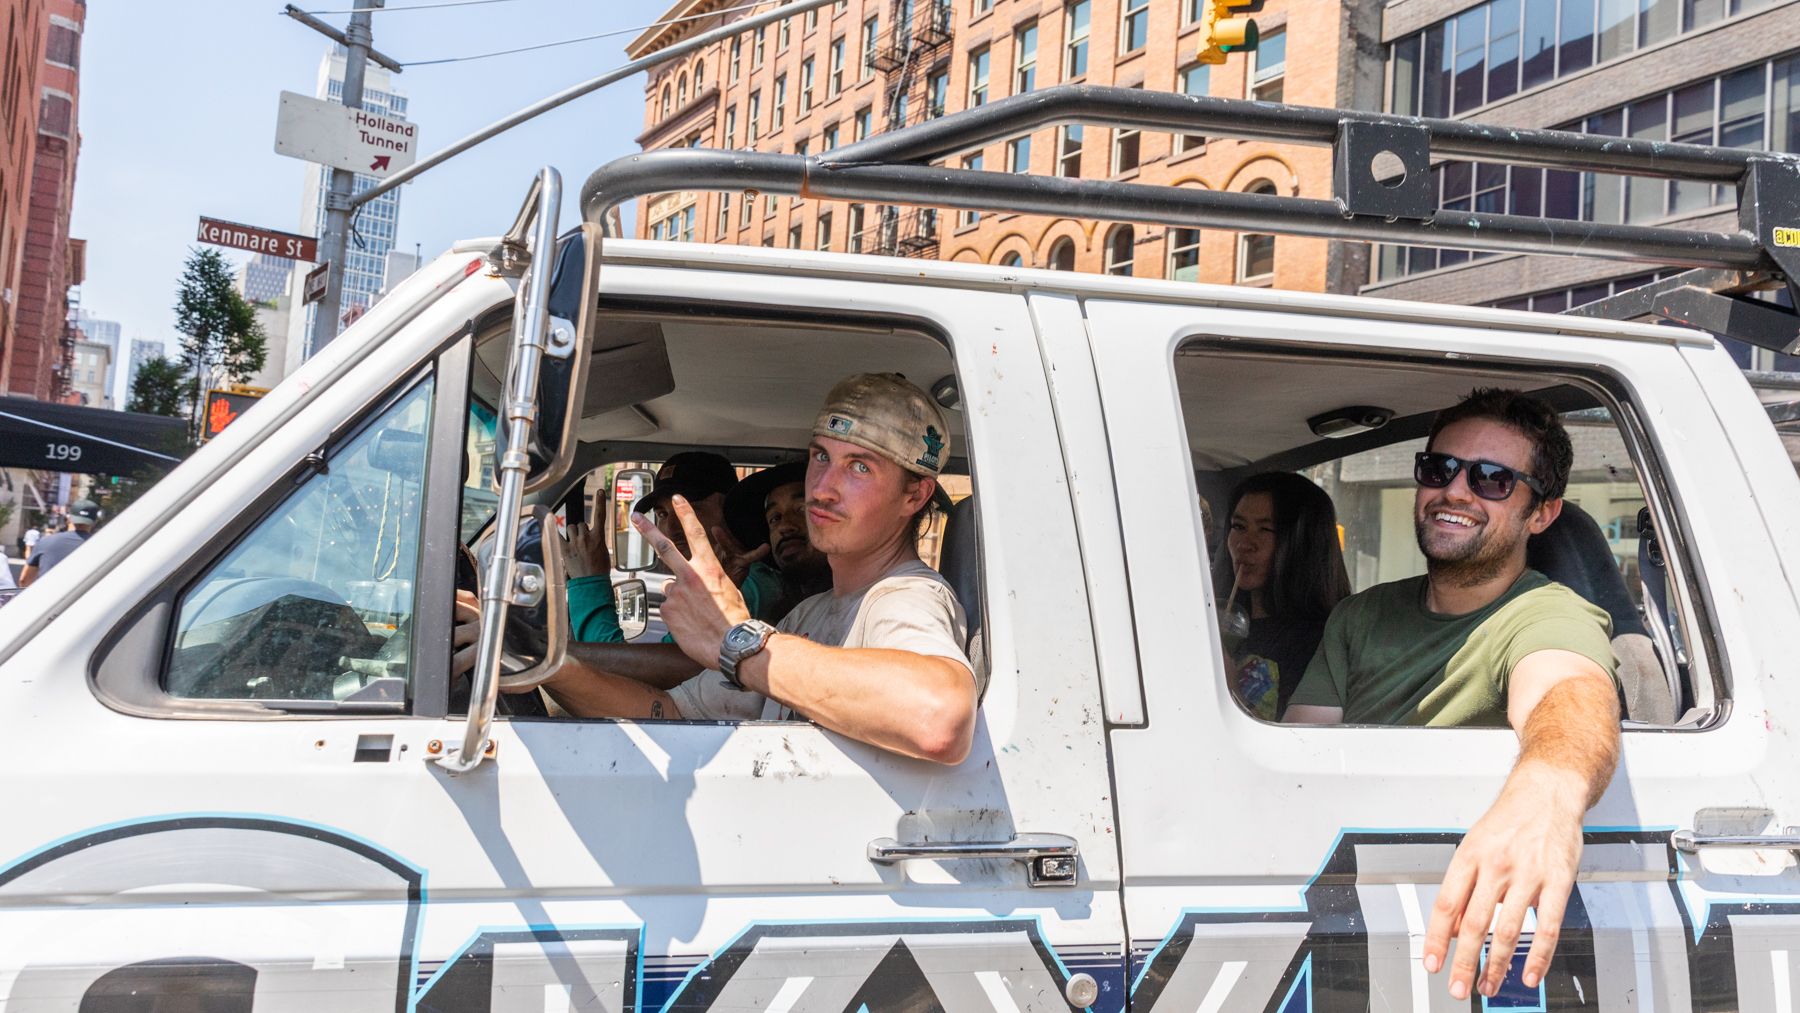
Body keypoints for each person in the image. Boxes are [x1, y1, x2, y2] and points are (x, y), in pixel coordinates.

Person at [1284, 388, 1622, 1002]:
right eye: (1440, 469)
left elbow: (1571, 695)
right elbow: (1298, 758)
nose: (1457, 492)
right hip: (1333, 895)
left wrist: (1547, 794)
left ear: (1541, 514)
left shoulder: (1544, 615)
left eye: (1492, 479)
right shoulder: (1360, 616)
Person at [543, 372, 978, 764]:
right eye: (821, 457)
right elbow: (670, 711)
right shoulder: (808, 615)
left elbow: (938, 718)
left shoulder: (905, 598)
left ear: (914, 496)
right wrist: (543, 666)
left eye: (859, 467)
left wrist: (738, 639)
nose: (822, 490)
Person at [542, 460, 831, 702]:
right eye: (663, 514)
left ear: (729, 512)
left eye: (689, 508)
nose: (671, 527)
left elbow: (657, 678)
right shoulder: (730, 582)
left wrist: (588, 582)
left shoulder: (751, 587)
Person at [1213, 472, 1350, 720]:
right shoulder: (1215, 620)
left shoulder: (1322, 644)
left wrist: (1229, 687)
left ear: (1303, 542)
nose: (1245, 544)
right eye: (1238, 527)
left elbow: (1294, 746)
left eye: (1265, 530)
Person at [19, 500, 100, 586]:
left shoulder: (46, 541)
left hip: (48, 597)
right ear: (94, 522)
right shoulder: (100, 547)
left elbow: (24, 580)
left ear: (69, 519)